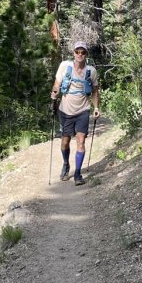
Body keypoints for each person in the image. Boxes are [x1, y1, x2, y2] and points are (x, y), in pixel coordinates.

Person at [51, 42, 100, 186]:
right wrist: (54, 94)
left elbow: (95, 91)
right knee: (65, 141)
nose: (80, 54)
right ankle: (66, 164)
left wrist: (96, 108)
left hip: (83, 110)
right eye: (77, 51)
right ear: (73, 53)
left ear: (86, 54)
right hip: (65, 110)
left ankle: (78, 173)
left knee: (81, 141)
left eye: (83, 52)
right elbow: (57, 84)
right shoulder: (65, 66)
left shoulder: (91, 71)